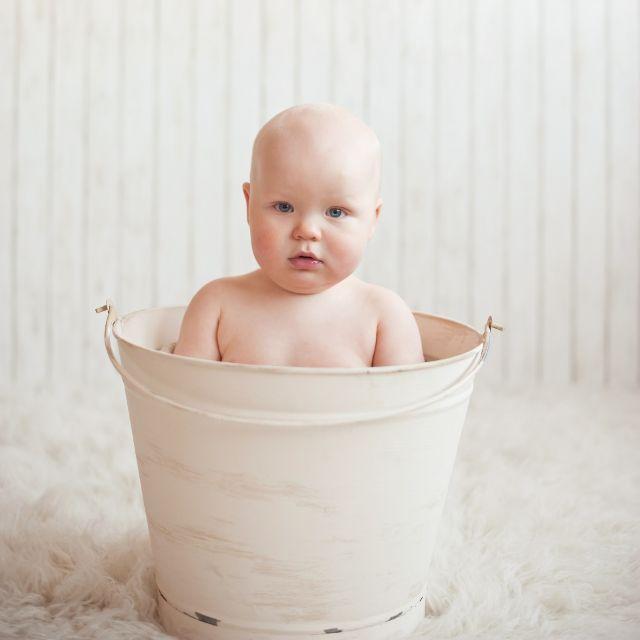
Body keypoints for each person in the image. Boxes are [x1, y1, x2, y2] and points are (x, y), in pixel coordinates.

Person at [172, 102, 424, 367]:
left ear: (373, 219)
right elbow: (179, 401)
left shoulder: (383, 318)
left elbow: (412, 407)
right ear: (249, 205)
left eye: (336, 212)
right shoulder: (217, 307)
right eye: (284, 207)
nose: (307, 231)